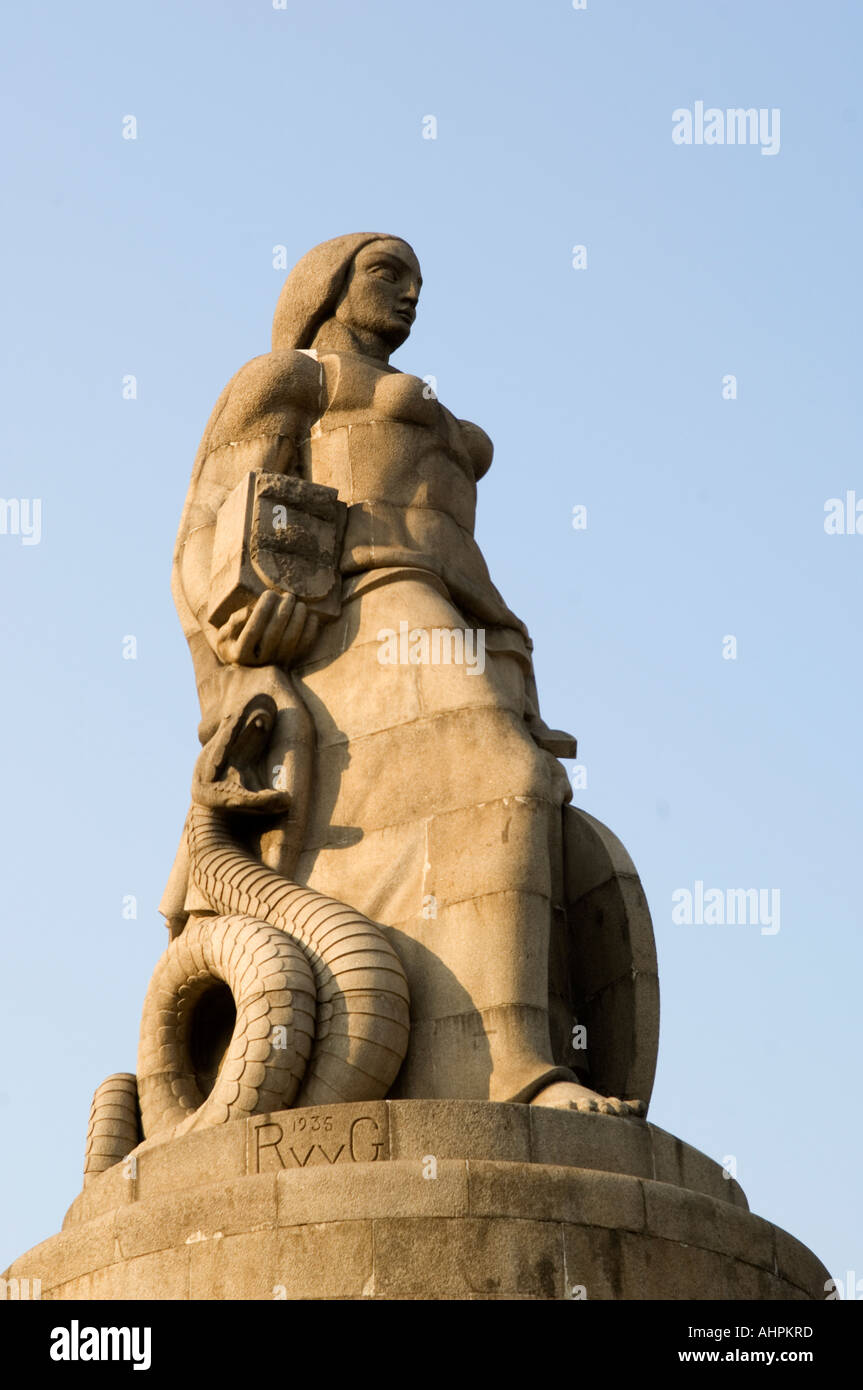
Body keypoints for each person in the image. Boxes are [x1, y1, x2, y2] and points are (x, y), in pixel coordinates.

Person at [166, 233, 642, 1114]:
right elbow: (203, 540)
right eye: (387, 273)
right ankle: (514, 1071)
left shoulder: (440, 418)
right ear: (326, 287)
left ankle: (488, 1055)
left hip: (476, 628)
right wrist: (234, 673)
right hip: (368, 609)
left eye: (419, 280)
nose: (410, 293)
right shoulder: (291, 381)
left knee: (536, 802)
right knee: (506, 778)